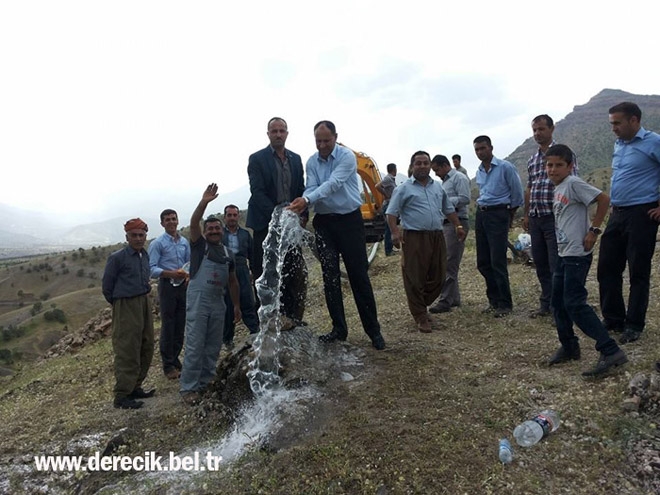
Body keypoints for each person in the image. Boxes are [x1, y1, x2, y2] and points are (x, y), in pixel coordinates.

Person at [288, 120, 386, 350]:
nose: (322, 145)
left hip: (349, 222)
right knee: (330, 277)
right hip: (324, 224)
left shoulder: (347, 157)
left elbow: (334, 184)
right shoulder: (312, 161)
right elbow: (311, 187)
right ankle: (339, 329)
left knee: (358, 277)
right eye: (318, 141)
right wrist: (302, 202)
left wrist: (308, 199)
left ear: (336, 137)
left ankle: (374, 332)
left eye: (326, 140)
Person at [545, 144, 628, 376]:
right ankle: (570, 346)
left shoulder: (573, 183)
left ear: (570, 166)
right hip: (564, 253)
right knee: (558, 303)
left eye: (559, 165)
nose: (553, 170)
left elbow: (603, 199)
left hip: (576, 255)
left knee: (574, 303)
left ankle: (610, 350)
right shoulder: (558, 187)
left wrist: (594, 230)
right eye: (549, 165)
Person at [597, 102, 660, 345]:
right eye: (611, 123)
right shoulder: (619, 143)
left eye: (617, 123)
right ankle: (614, 319)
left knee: (638, 271)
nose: (613, 128)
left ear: (634, 120)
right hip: (618, 212)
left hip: (642, 214)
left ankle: (634, 324)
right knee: (607, 267)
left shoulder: (653, 142)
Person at [387, 151, 466, 332]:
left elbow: (448, 208)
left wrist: (458, 226)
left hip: (436, 236)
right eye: (418, 163)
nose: (422, 166)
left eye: (425, 163)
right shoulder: (403, 188)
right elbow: (391, 213)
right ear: (412, 166)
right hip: (414, 237)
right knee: (414, 276)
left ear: (430, 166)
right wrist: (394, 233)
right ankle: (421, 316)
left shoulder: (437, 187)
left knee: (438, 275)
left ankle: (421, 305)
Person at [180, 184, 241, 405]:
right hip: (198, 302)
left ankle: (206, 382)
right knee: (196, 344)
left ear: (222, 231)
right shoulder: (199, 246)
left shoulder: (228, 254)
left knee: (213, 345)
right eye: (210, 229)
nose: (214, 231)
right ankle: (188, 387)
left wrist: (236, 306)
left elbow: (233, 282)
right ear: (205, 233)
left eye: (217, 228)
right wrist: (204, 202)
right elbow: (194, 222)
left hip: (218, 303)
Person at [246, 117, 308, 324]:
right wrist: (277, 216)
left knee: (292, 269)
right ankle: (268, 317)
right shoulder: (257, 159)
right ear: (268, 134)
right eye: (274, 131)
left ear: (287, 133)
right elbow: (257, 193)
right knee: (266, 271)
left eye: (282, 130)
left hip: (291, 223)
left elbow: (300, 189)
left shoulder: (296, 159)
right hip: (266, 224)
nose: (279, 134)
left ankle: (291, 318)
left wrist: (302, 214)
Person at [523, 115, 578, 319]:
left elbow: (573, 183)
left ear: (552, 129)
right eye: (534, 130)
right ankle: (546, 304)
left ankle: (560, 310)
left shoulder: (564, 155)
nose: (537, 133)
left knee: (557, 265)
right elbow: (530, 187)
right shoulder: (533, 159)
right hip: (537, 217)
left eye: (541, 129)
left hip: (555, 217)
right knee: (541, 264)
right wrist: (527, 213)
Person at [102, 218, 155, 410]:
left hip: (143, 301)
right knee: (127, 348)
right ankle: (122, 395)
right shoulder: (117, 258)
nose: (138, 239)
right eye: (134, 235)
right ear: (127, 236)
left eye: (141, 235)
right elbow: (107, 287)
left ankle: (136, 387)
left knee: (146, 344)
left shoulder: (145, 255)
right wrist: (119, 304)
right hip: (125, 304)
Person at [473, 135, 524, 317]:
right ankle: (493, 301)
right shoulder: (479, 170)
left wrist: (508, 215)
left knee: (497, 261)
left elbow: (517, 193)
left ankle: (505, 303)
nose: (480, 152)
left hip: (498, 213)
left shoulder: (505, 167)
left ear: (491, 148)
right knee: (483, 262)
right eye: (477, 149)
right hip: (482, 213)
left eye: (483, 148)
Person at [148, 209, 190, 380]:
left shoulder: (184, 242)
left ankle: (175, 359)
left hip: (182, 286)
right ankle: (168, 365)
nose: (171, 222)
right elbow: (151, 269)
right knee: (168, 325)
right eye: (167, 220)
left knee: (180, 323)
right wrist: (170, 273)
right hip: (167, 286)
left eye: (174, 219)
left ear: (178, 220)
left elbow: (189, 262)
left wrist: (188, 274)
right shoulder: (157, 244)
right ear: (162, 223)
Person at [428, 154, 471, 313]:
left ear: (445, 165)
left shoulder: (458, 178)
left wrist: (445, 202)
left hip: (457, 222)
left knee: (449, 263)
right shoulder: (444, 182)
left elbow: (465, 198)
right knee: (449, 261)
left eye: (436, 169)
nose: (435, 173)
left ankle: (445, 300)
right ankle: (454, 298)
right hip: (447, 223)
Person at [222, 204, 260, 346]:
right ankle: (227, 339)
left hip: (242, 268)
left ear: (238, 216)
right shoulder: (219, 234)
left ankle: (255, 331)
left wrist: (253, 272)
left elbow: (252, 255)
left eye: (234, 215)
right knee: (228, 304)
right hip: (225, 270)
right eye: (229, 215)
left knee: (247, 300)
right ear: (225, 217)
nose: (232, 218)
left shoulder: (245, 234)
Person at [375, 163, 398, 256]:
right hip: (388, 205)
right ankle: (388, 250)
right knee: (389, 228)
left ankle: (390, 247)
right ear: (394, 169)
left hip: (391, 204)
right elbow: (377, 186)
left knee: (390, 227)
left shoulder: (391, 179)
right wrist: (386, 195)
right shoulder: (388, 178)